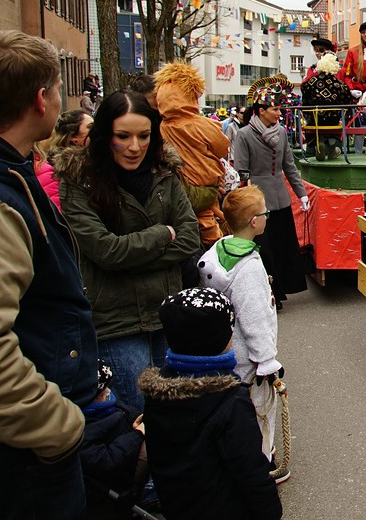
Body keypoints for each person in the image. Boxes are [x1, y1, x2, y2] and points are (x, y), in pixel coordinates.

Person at [0, 30, 99, 519]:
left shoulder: (10, 172)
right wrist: (58, 426)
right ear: (41, 99)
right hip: (20, 452)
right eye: (58, 86)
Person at [56, 90, 200, 413]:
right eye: (123, 136)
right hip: (117, 323)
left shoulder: (164, 172)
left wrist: (125, 257)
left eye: (143, 136)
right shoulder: (79, 181)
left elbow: (190, 239)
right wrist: (162, 234)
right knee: (140, 415)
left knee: (174, 415)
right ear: (106, 134)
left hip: (167, 314)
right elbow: (104, 251)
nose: (135, 147)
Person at [139, 288, 283, 519]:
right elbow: (250, 469)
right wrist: (270, 511)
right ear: (223, 337)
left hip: (178, 505)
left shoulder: (157, 393)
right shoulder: (230, 400)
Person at [199, 186, 284, 469]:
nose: (267, 217)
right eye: (264, 213)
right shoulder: (248, 266)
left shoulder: (220, 249)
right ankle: (262, 462)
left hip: (229, 351)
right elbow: (254, 316)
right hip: (251, 360)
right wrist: (267, 361)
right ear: (254, 221)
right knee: (260, 410)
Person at [232, 75, 310, 307]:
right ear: (261, 110)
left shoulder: (282, 132)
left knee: (283, 246)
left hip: (281, 199)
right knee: (264, 250)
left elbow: (290, 166)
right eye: (275, 109)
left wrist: (301, 193)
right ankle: (269, 294)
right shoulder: (245, 134)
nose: (278, 113)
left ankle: (283, 290)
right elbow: (241, 172)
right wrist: (246, 202)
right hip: (258, 202)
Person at [155, 62, 231, 246]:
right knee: (210, 225)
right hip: (205, 179)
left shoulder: (162, 127)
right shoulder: (201, 124)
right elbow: (223, 147)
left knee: (202, 221)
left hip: (185, 182)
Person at [80, 360, 148, 512]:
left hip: (125, 470)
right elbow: (106, 462)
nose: (108, 392)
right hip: (108, 491)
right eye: (102, 391)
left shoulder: (108, 405)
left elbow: (127, 412)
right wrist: (137, 435)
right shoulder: (82, 428)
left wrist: (140, 418)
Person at [301, 52, 347, 160]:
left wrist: (308, 114)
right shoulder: (339, 85)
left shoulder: (309, 83)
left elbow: (305, 102)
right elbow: (346, 101)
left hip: (315, 119)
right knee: (336, 119)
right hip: (333, 121)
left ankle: (319, 142)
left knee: (314, 120)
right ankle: (331, 147)